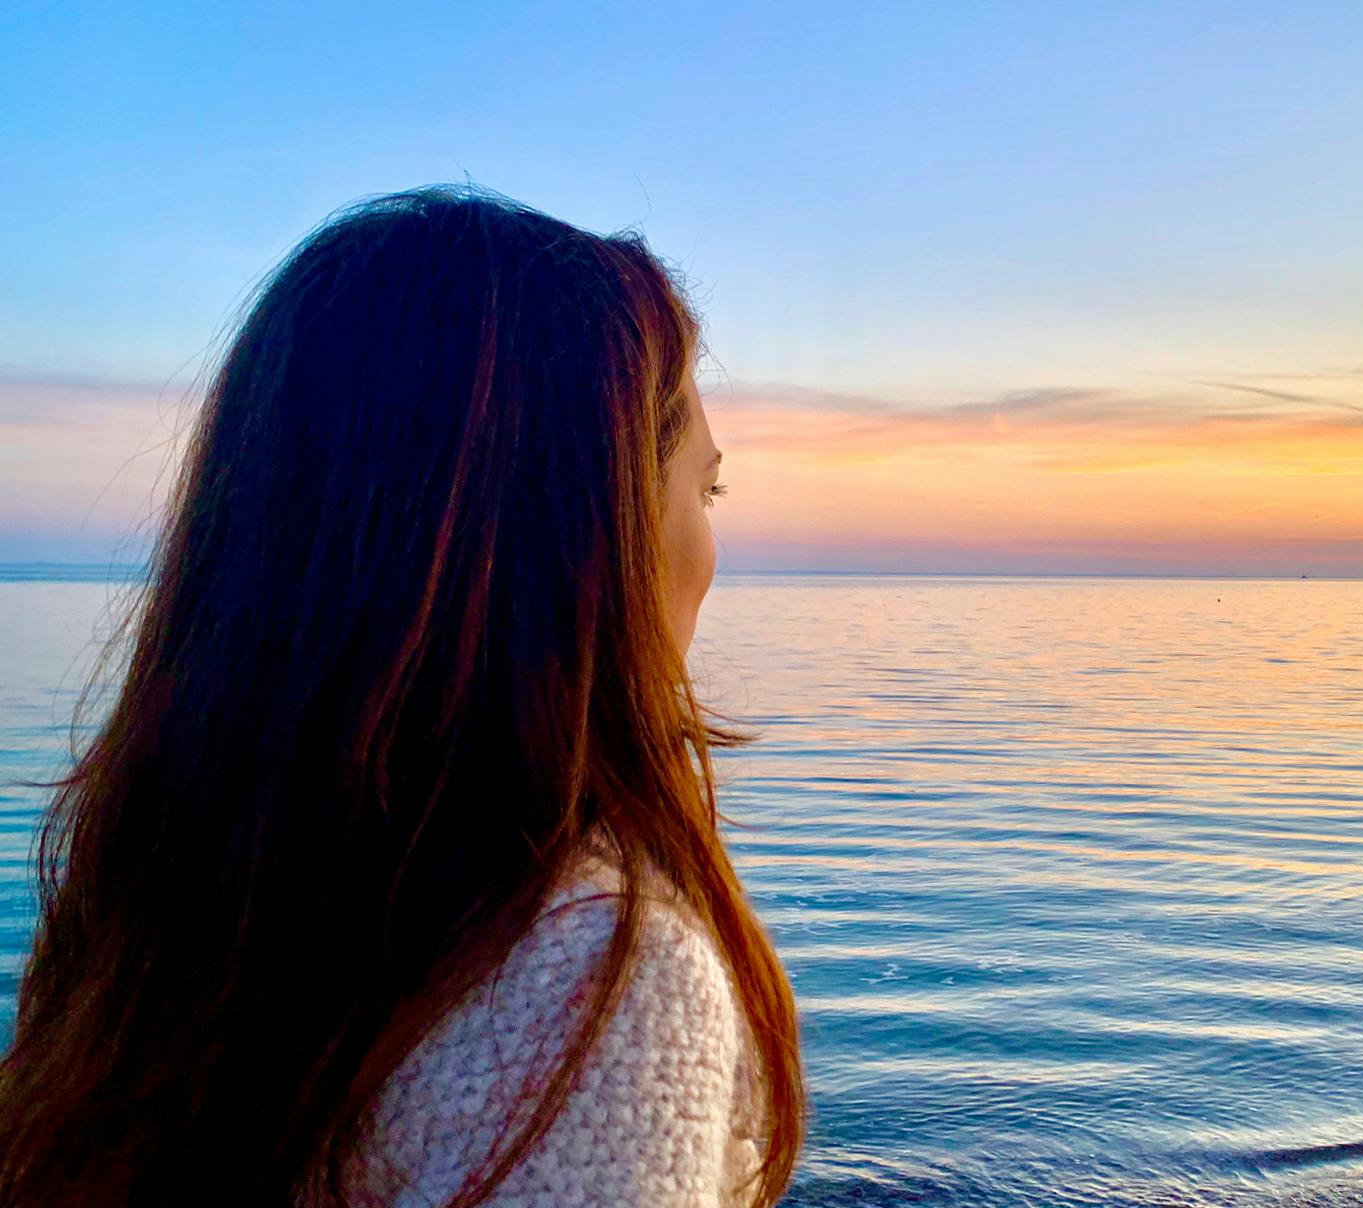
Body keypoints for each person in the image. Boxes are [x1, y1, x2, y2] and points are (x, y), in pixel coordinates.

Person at [0, 185, 806, 1206]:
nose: (710, 545)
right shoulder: (590, 978)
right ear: (584, 534)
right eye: (706, 487)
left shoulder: (158, 907)